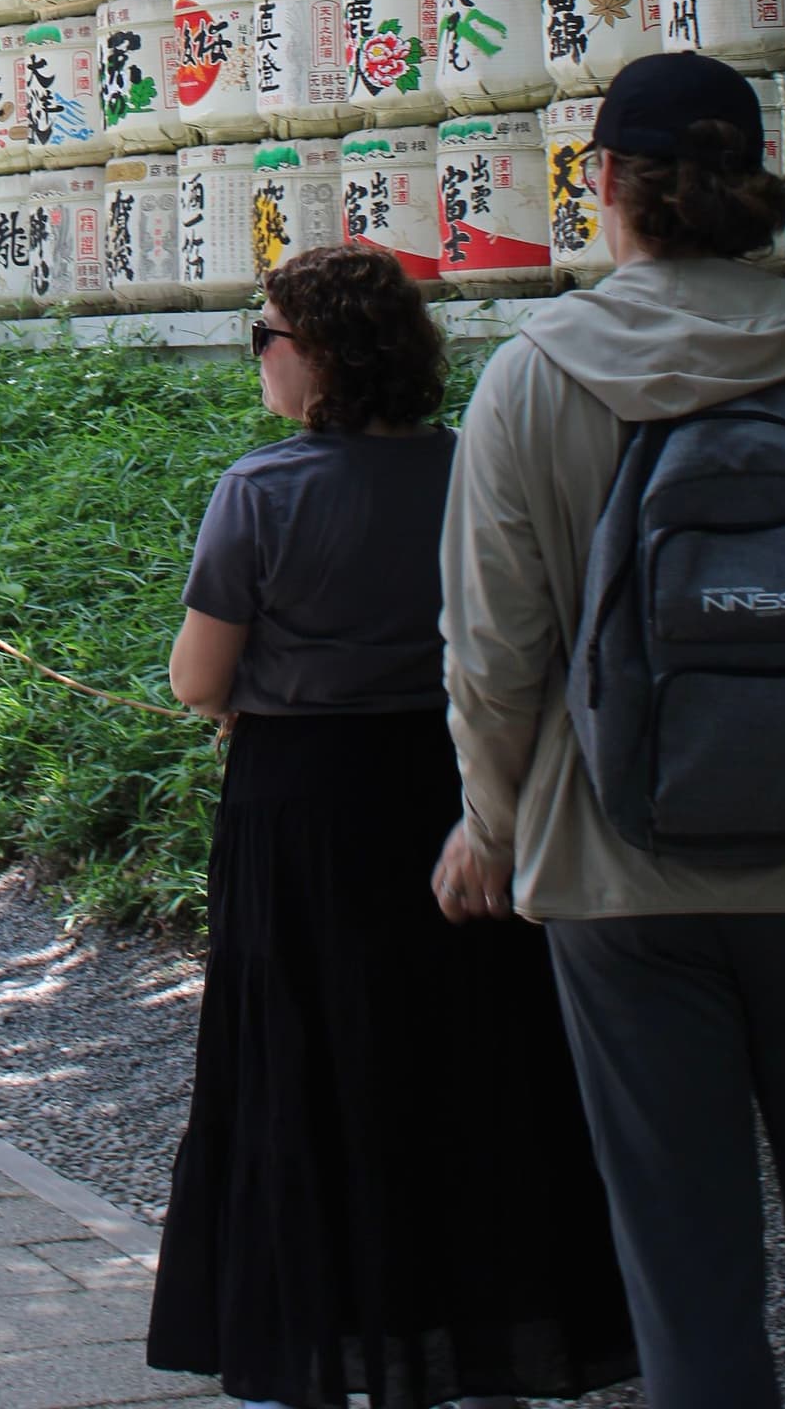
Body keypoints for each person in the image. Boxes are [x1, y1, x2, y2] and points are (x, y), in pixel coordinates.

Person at [439, 49, 785, 1408]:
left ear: (605, 184)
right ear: (759, 186)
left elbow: (495, 658)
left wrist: (495, 829)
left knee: (684, 1248)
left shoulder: (534, 378)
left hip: (618, 875)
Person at [148, 243, 634, 1409]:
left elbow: (192, 679)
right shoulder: (471, 471)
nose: (256, 357)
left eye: (263, 335)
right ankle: (483, 1343)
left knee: (304, 1066)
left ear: (314, 358)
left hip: (302, 805)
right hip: (459, 790)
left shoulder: (260, 492)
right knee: (467, 1066)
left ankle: (309, 1342)